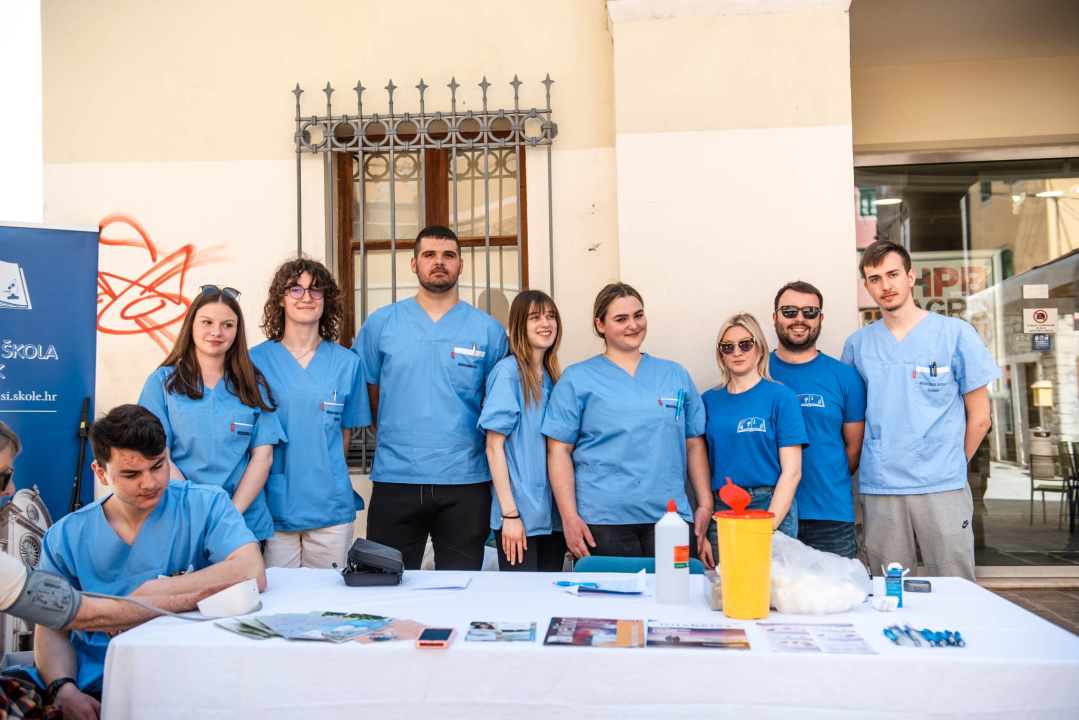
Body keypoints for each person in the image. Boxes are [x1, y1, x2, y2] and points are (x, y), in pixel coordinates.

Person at [33, 405, 265, 718]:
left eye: (158, 466)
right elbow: (51, 624)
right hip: (99, 683)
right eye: (131, 473)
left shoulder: (204, 504)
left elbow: (251, 571)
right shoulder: (66, 537)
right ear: (101, 473)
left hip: (191, 678)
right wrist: (64, 689)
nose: (150, 483)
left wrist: (149, 595)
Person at [841, 240, 999, 581]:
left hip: (942, 484)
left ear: (911, 276)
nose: (885, 285)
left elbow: (981, 417)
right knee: (888, 588)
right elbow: (853, 418)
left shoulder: (955, 334)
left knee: (955, 584)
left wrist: (953, 462)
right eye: (874, 278)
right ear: (866, 286)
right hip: (882, 485)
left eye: (893, 274)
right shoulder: (858, 345)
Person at [353, 225, 508, 570]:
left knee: (461, 587)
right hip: (396, 477)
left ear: (461, 264)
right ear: (413, 264)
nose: (439, 262)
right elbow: (369, 390)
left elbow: (498, 405)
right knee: (386, 585)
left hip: (466, 481)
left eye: (448, 255)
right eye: (429, 255)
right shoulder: (382, 324)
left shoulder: (487, 330)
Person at [542, 283, 713, 561]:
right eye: (621, 319)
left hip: (670, 517)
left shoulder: (674, 374)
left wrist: (704, 504)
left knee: (674, 600)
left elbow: (693, 443)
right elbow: (558, 451)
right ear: (600, 325)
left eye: (638, 315)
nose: (633, 325)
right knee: (610, 603)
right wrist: (569, 517)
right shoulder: (577, 379)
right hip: (602, 520)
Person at [138, 286, 286, 544]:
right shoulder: (162, 384)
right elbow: (157, 454)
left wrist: (228, 515)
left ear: (237, 331)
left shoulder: (252, 386)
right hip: (180, 518)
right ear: (191, 326)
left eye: (227, 325)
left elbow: (262, 457)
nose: (216, 332)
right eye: (207, 322)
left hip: (242, 521)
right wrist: (195, 509)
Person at [251, 258, 370, 569]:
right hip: (274, 504)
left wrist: (328, 480)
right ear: (280, 298)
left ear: (326, 300)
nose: (306, 297)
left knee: (328, 600)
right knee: (279, 601)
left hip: (329, 504)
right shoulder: (254, 362)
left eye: (316, 290)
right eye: (296, 289)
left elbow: (345, 433)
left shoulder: (347, 363)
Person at [769, 281, 866, 559]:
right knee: (769, 599)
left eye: (809, 312)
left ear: (820, 319)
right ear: (775, 317)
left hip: (830, 515)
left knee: (838, 598)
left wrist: (826, 480)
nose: (799, 319)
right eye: (789, 311)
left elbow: (853, 447)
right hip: (770, 513)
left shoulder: (845, 377)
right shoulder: (757, 373)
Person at [702, 312, 807, 566]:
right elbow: (701, 468)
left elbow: (792, 473)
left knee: (773, 593)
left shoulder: (781, 397)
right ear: (721, 355)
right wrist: (704, 527)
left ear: (759, 348)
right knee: (727, 590)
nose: (737, 352)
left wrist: (767, 524)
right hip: (723, 509)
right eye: (728, 347)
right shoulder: (708, 401)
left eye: (745, 344)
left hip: (770, 503)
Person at [478, 290, 566, 571]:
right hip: (520, 515)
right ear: (518, 325)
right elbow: (494, 447)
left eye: (551, 317)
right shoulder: (508, 373)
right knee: (523, 605)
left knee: (551, 601)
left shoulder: (554, 377)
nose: (546, 323)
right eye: (535, 317)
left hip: (554, 514)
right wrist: (510, 515)